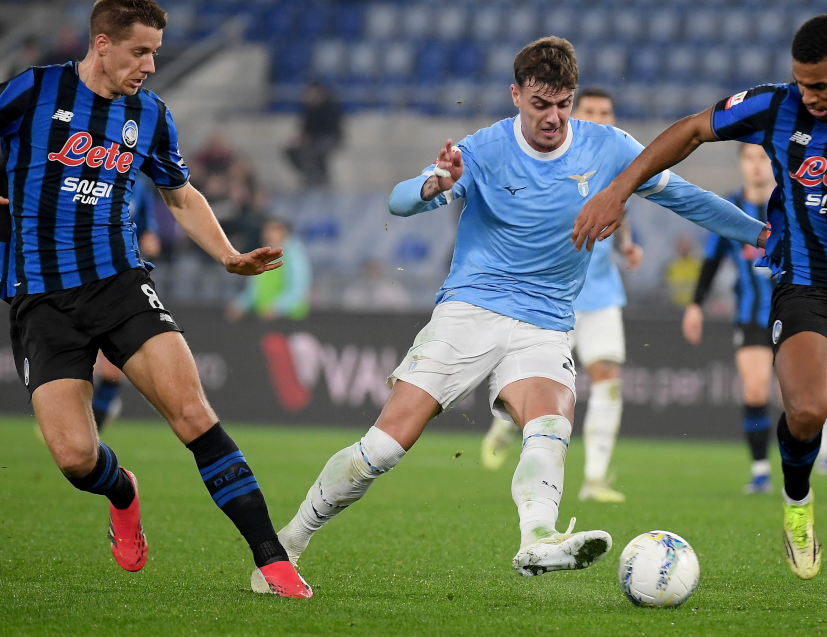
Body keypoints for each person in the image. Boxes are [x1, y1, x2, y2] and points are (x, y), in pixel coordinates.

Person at [268, 37, 766, 586]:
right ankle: (287, 544)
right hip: (471, 310)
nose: (553, 118)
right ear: (516, 95)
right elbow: (400, 201)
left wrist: (765, 236)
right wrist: (436, 181)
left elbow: (687, 197)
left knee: (550, 427)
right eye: (540, 104)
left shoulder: (610, 148)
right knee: (383, 447)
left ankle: (538, 539)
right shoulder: (483, 149)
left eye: (563, 104)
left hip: (546, 320)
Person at [0, 0, 312, 598]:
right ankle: (123, 491)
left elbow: (180, 194)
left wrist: (229, 255)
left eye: (155, 53)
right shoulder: (34, 88)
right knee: (76, 458)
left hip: (119, 282)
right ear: (100, 45)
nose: (149, 65)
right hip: (40, 298)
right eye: (139, 52)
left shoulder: (151, 115)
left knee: (193, 413)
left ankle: (273, 561)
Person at [572, 15, 827, 608]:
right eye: (800, 83)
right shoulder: (774, 106)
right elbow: (693, 129)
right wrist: (619, 189)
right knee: (806, 411)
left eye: (821, 86)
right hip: (807, 286)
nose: (808, 96)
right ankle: (798, 501)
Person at [479, 87, 644, 503]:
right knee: (544, 385)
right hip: (554, 296)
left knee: (608, 378)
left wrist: (626, 244)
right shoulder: (550, 159)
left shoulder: (615, 160)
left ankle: (595, 479)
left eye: (607, 111)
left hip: (603, 292)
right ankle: (507, 424)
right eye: (591, 111)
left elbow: (617, 212)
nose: (601, 119)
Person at [682, 143, 777, 494]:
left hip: (796, 312)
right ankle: (761, 470)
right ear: (741, 163)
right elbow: (711, 260)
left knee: (800, 401)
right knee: (755, 389)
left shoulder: (793, 205)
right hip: (751, 315)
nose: (756, 165)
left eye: (763, 157)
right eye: (749, 158)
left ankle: (813, 461)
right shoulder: (731, 208)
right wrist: (695, 305)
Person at [91, 175, 164, 431]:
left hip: (120, 281)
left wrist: (149, 238)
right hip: (81, 279)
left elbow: (147, 230)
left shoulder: (140, 186)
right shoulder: (85, 172)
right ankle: (78, 427)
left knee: (112, 369)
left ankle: (93, 434)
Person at [228, 218, 312, 320]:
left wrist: (277, 308)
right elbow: (254, 289)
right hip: (266, 317)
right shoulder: (262, 257)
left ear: (283, 232)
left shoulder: (294, 257)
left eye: (271, 230)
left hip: (290, 319)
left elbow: (297, 290)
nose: (266, 234)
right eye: (265, 231)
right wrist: (240, 305)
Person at [287, 82, 343, 188]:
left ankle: (320, 177)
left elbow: (332, 129)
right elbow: (305, 129)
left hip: (330, 138)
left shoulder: (330, 108)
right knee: (293, 150)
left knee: (315, 149)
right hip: (313, 139)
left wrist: (311, 138)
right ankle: (310, 175)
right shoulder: (308, 110)